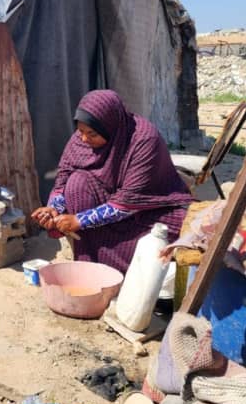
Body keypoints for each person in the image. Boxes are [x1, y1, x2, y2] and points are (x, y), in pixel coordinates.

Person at [30, 89, 193, 274]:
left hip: (147, 208)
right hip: (104, 208)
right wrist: (54, 209)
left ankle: (113, 262)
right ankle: (90, 258)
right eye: (80, 131)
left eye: (91, 134)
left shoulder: (143, 140)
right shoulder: (81, 138)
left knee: (177, 235)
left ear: (109, 127)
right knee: (76, 183)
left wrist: (79, 220)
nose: (84, 138)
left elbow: (128, 203)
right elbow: (63, 179)